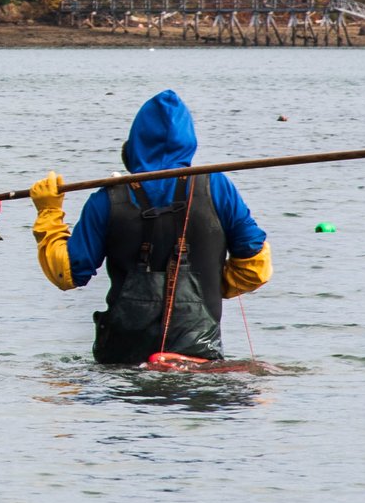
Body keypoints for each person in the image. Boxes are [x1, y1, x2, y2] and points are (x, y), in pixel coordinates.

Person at [29, 89, 272, 365]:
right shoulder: (217, 187)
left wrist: (49, 211)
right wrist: (212, 288)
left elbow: (67, 274)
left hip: (122, 367)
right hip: (198, 363)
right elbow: (255, 269)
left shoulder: (106, 199)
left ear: (132, 145)